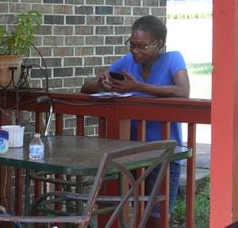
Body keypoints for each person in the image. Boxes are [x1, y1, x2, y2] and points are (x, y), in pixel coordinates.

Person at [81, 15, 190, 227]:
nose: (135, 50)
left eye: (142, 46)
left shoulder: (172, 59)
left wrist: (139, 87)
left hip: (164, 155)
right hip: (130, 154)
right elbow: (86, 87)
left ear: (159, 44)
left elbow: (183, 91)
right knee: (117, 210)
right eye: (131, 44)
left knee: (157, 217)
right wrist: (101, 83)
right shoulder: (127, 61)